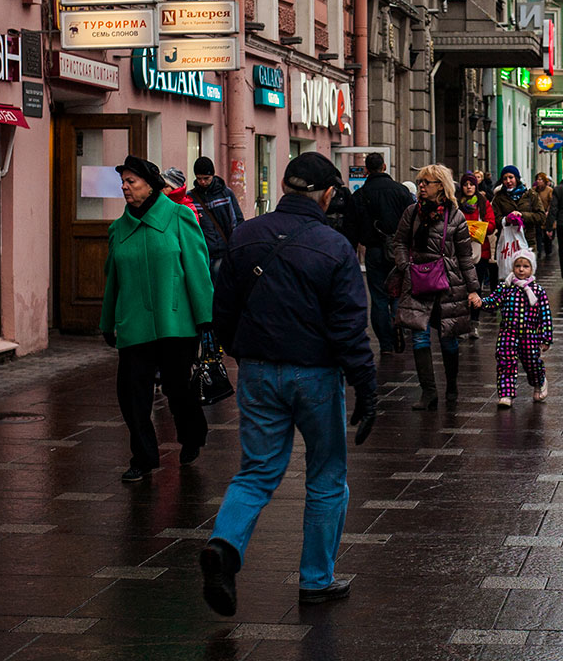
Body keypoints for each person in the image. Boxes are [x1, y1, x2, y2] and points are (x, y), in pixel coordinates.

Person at [200, 152, 376, 615]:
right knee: (326, 475)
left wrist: (245, 353)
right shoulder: (334, 246)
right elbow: (348, 326)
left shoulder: (245, 235)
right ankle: (316, 580)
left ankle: (224, 546)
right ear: (328, 194)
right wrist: (367, 385)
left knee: (256, 472)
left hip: (258, 371)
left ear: (284, 186)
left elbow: (223, 310)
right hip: (316, 375)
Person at [99, 155, 213, 482]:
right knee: (133, 395)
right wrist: (108, 323)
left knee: (179, 390)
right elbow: (113, 281)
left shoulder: (180, 217)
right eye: (122, 182)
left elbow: (197, 270)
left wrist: (206, 318)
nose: (124, 187)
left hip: (175, 323)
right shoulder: (118, 229)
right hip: (134, 324)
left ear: (150, 186)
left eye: (131, 181)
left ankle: (191, 435)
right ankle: (143, 457)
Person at [390, 164, 481, 410]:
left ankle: (451, 385)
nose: (421, 186)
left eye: (426, 182)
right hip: (417, 280)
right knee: (419, 337)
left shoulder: (456, 216)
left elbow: (465, 256)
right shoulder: (412, 212)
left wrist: (473, 289)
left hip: (448, 284)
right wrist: (404, 265)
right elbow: (398, 242)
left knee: (448, 338)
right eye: (419, 182)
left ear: (440, 185)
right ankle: (428, 392)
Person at [344, 153, 414, 356]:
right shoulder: (401, 191)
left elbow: (351, 228)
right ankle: (398, 327)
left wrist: (350, 253)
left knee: (378, 298)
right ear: (384, 166)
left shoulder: (360, 195)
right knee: (398, 294)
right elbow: (412, 221)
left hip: (373, 251)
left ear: (366, 169)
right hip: (399, 251)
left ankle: (385, 343)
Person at [481, 249, 552, 408]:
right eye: (518, 265)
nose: (521, 269)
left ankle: (539, 382)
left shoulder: (537, 291)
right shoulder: (505, 288)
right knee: (506, 362)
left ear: (532, 269)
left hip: (529, 336)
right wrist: (481, 302)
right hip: (508, 333)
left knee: (532, 362)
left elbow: (545, 316)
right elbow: (493, 301)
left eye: (525, 266)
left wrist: (546, 338)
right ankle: (506, 394)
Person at [191, 156, 245, 268]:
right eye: (199, 178)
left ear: (213, 175)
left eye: (206, 178)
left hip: (225, 252)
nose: (202, 182)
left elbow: (237, 221)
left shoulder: (226, 194)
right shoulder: (191, 197)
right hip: (203, 255)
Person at [457, 172, 497, 293]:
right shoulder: (456, 204)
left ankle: (475, 311)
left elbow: (491, 225)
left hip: (480, 251)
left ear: (476, 186)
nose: (469, 187)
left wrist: (474, 229)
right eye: (465, 184)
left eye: (471, 184)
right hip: (460, 250)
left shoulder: (483, 203)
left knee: (477, 285)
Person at [491, 165, 546, 239]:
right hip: (506, 241)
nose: (508, 181)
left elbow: (541, 217)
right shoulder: (499, 197)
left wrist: (522, 216)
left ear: (516, 178)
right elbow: (494, 219)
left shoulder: (530, 195)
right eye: (505, 178)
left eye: (511, 177)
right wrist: (506, 219)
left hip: (527, 240)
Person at [530, 171, 555, 260]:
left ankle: (548, 251)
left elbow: (551, 202)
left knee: (547, 233)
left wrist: (548, 211)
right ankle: (539, 251)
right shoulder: (533, 190)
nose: (539, 181)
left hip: (546, 214)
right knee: (538, 233)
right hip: (537, 214)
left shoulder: (549, 190)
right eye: (537, 179)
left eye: (540, 179)